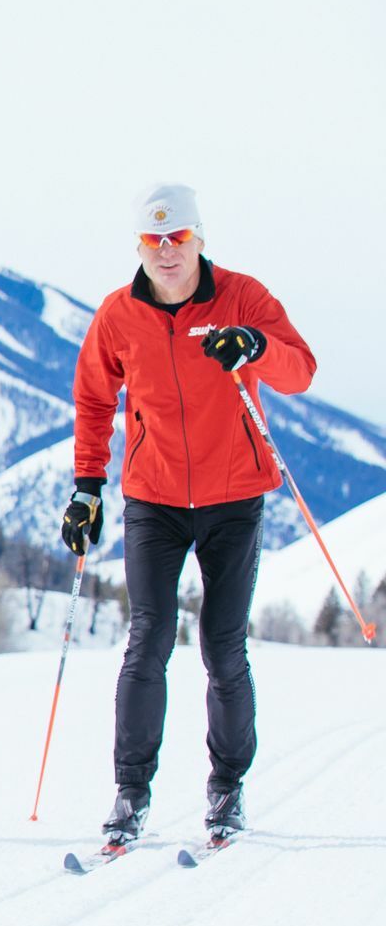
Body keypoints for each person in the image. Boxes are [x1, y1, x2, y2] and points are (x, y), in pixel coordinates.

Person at [63, 183, 316, 847]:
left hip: (234, 496)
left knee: (221, 645)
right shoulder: (118, 315)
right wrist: (87, 488)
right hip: (154, 499)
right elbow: (93, 398)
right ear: (139, 247)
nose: (167, 251)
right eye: (154, 240)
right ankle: (130, 793)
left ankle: (227, 787)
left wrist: (255, 345)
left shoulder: (242, 297)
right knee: (146, 638)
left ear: (201, 238)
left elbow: (301, 371)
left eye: (178, 238)